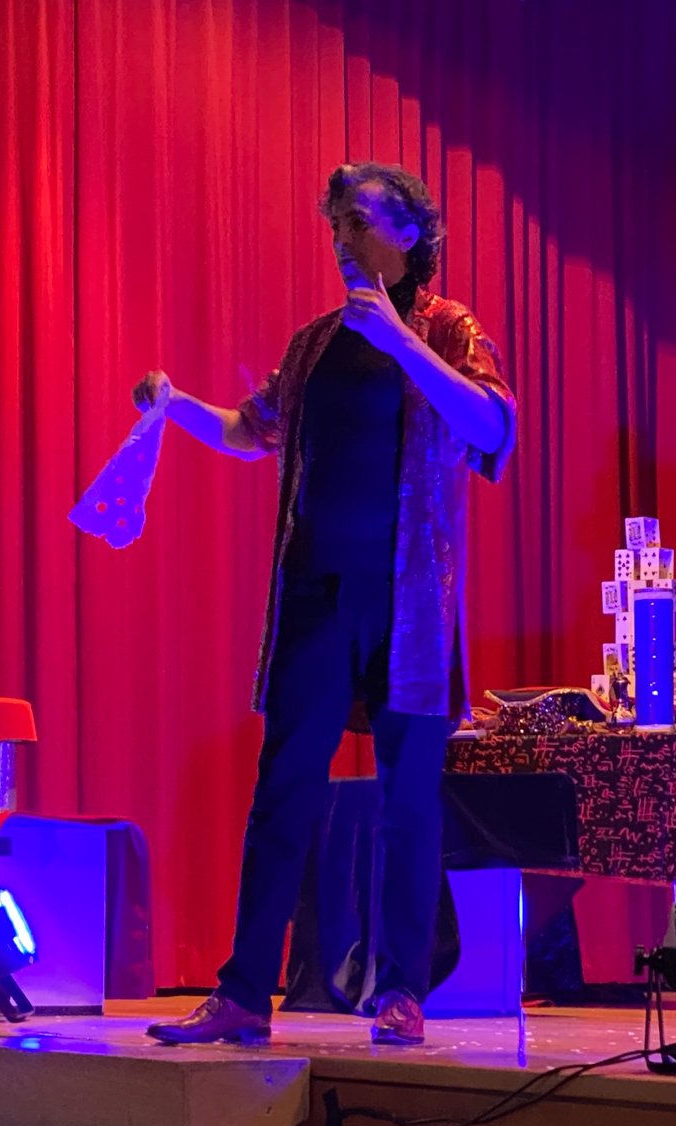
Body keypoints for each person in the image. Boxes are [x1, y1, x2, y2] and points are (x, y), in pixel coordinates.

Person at [137, 162, 516, 1047]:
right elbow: (251, 430)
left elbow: (493, 424)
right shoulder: (315, 343)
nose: (341, 239)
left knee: (406, 802)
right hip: (314, 592)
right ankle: (242, 995)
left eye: (358, 222)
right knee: (282, 792)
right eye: (336, 224)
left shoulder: (447, 328)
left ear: (408, 233)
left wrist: (401, 344)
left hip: (409, 603)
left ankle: (402, 989)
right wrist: (174, 405)